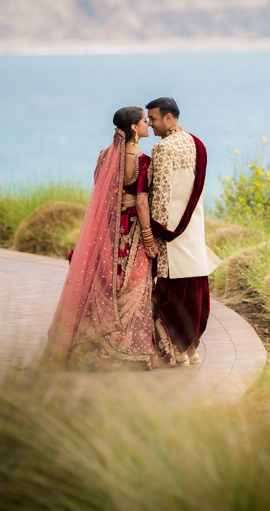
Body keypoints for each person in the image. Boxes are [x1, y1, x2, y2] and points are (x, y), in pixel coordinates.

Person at [46, 106, 178, 370]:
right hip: (131, 232)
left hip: (105, 234)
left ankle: (91, 347)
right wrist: (150, 241)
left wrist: (118, 204)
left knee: (104, 284)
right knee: (133, 286)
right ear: (133, 129)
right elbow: (142, 204)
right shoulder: (142, 161)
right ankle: (124, 353)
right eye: (144, 121)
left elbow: (101, 192)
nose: (147, 125)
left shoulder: (104, 155)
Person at [145, 97, 219, 366]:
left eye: (152, 118)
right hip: (194, 230)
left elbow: (161, 197)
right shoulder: (198, 143)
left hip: (171, 234)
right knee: (195, 293)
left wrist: (152, 233)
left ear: (168, 118)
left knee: (172, 293)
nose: (149, 124)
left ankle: (177, 353)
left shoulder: (163, 148)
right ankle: (192, 352)